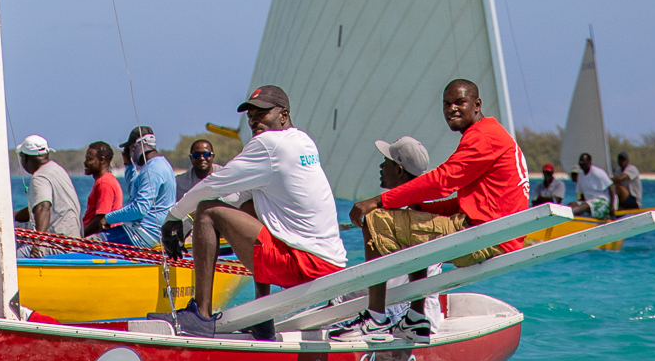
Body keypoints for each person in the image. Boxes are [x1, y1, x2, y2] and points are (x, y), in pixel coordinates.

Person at [151, 85, 346, 338]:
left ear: (283, 115)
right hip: (332, 264)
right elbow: (237, 196)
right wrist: (188, 223)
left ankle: (201, 314)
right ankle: (262, 316)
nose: (254, 120)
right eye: (250, 114)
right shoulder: (303, 140)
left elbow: (212, 184)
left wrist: (174, 217)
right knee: (250, 204)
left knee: (207, 211)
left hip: (303, 265)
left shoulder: (267, 144)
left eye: (262, 112)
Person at [348, 79, 529, 343]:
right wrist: (421, 207)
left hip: (485, 238)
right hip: (493, 234)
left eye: (459, 102)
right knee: (414, 222)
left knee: (376, 220)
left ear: (477, 105)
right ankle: (414, 317)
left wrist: (380, 200)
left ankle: (376, 318)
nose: (451, 109)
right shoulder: (491, 133)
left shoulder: (483, 137)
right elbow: (466, 202)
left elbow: (443, 181)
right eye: (447, 103)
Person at [330, 137, 443, 340]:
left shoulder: (389, 218)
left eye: (387, 162)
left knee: (332, 306)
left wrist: (339, 295)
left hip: (399, 312)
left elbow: (388, 281)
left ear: (399, 171)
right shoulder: (426, 207)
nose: (381, 166)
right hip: (425, 313)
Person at [99, 127, 175, 247]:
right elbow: (134, 193)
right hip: (152, 233)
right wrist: (129, 165)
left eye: (129, 149)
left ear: (137, 146)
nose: (129, 153)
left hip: (143, 235)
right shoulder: (159, 164)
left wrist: (108, 218)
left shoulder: (153, 170)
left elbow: (139, 209)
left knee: (92, 241)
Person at [13, 134, 81, 258]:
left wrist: (37, 244)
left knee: (15, 256)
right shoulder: (57, 169)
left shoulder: (39, 177)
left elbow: (43, 207)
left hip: (61, 245)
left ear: (26, 158)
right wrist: (12, 217)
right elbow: (36, 209)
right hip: (73, 240)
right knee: (16, 227)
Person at [82, 141, 123, 237]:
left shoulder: (105, 183)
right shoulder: (104, 181)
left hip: (99, 239)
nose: (85, 162)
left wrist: (79, 236)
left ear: (102, 160)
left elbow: (101, 219)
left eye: (89, 159)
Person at [569, 152, 617, 220]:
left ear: (589, 162)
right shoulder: (580, 175)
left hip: (603, 202)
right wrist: (579, 205)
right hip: (589, 202)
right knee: (571, 204)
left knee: (585, 206)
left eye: (583, 160)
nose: (580, 162)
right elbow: (581, 195)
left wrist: (612, 207)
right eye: (580, 160)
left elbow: (612, 187)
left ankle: (569, 214)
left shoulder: (598, 172)